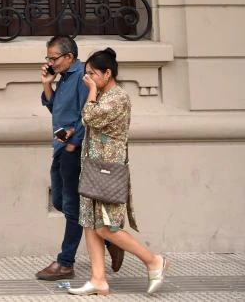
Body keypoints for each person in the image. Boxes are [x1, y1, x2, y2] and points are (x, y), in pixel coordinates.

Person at [67, 48, 169, 296]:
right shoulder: (104, 95)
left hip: (107, 171)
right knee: (90, 224)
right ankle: (98, 280)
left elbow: (89, 117)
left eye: (92, 73)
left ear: (107, 73)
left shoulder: (117, 98)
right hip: (94, 169)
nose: (87, 78)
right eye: (86, 73)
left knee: (106, 227)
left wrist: (90, 91)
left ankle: (154, 260)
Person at [36, 36, 124, 282]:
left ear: (69, 57)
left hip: (73, 149)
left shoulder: (83, 76)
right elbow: (56, 109)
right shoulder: (63, 77)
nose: (50, 62)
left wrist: (74, 143)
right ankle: (110, 238)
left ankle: (65, 262)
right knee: (61, 202)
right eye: (48, 58)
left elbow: (89, 112)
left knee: (72, 205)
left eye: (54, 58)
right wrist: (47, 84)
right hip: (60, 146)